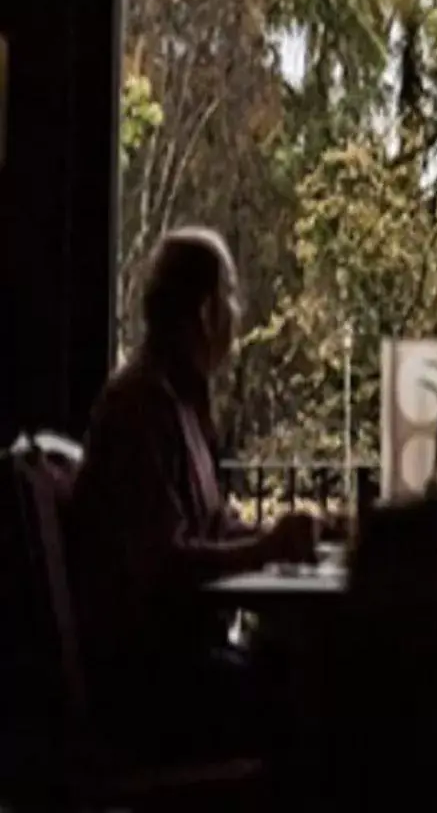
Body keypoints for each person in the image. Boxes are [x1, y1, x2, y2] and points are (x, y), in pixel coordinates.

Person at [69, 227, 317, 758]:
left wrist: (279, 535)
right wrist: (269, 548)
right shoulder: (140, 409)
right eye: (230, 295)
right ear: (206, 311)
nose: (237, 311)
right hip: (150, 689)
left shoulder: (173, 400)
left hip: (172, 667)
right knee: (311, 700)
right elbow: (166, 564)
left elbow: (209, 526)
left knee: (303, 668)